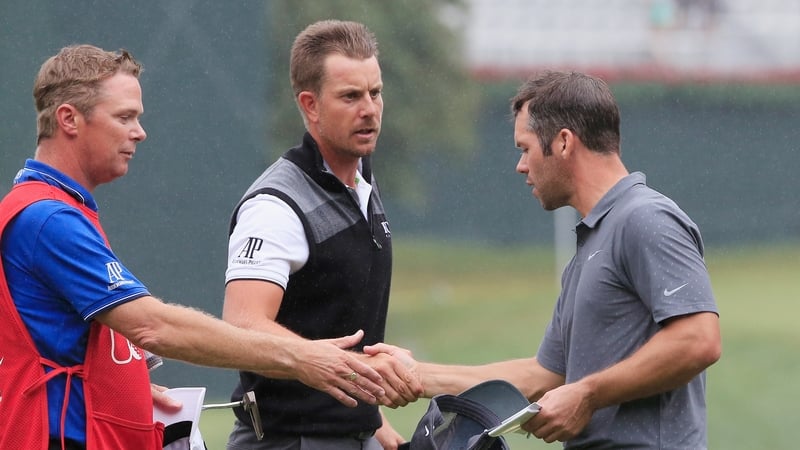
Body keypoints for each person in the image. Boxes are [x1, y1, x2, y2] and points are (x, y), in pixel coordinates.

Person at [0, 44, 389, 450]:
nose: (139, 131)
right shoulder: (49, 218)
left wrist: (116, 382)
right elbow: (154, 326)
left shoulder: (51, 207)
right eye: (124, 117)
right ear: (69, 120)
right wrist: (302, 359)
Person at [367, 70, 722, 449]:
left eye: (525, 148)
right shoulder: (590, 246)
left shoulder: (645, 218)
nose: (521, 165)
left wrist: (587, 394)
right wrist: (417, 375)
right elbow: (544, 376)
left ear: (564, 142)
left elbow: (698, 339)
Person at [222, 20, 422, 450]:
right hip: (288, 441)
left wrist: (375, 423)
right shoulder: (275, 206)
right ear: (310, 105)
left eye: (375, 92)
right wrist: (339, 369)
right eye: (350, 96)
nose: (369, 109)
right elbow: (242, 326)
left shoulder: (361, 177)